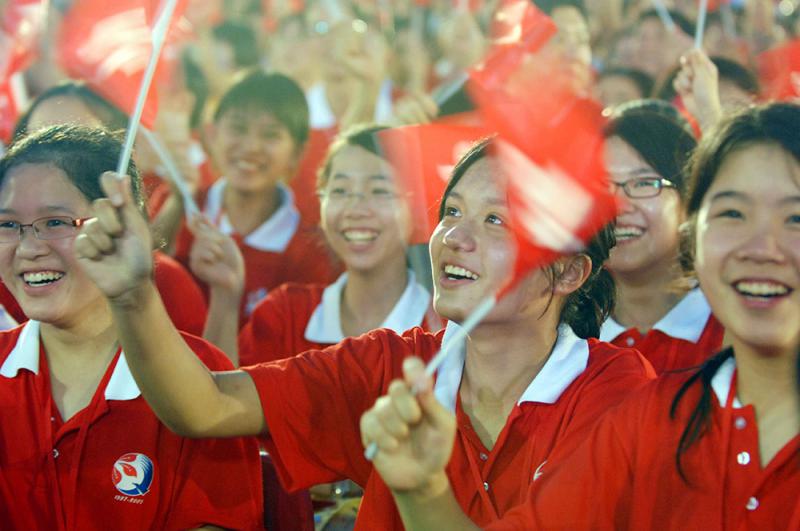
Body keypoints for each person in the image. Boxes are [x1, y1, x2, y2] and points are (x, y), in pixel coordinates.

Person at [73, 137, 654, 529]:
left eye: (496, 220)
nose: (454, 237)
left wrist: (422, 491)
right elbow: (205, 406)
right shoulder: (392, 366)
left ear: (568, 270)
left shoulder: (616, 392)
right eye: (451, 212)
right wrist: (132, 294)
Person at [361, 102, 800, 530]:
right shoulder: (645, 423)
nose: (761, 247)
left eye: (795, 217)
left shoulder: (617, 391)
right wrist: (424, 493)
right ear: (695, 235)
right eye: (732, 213)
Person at [0, 125, 262, 530]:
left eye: (55, 222)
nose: (29, 248)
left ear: (124, 226)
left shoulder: (200, 378)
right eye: (8, 225)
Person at [192, 125, 440, 365]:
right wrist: (225, 296)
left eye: (380, 190)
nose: (355, 209)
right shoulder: (286, 315)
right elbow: (219, 400)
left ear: (417, 210)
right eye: (340, 190)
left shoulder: (443, 330)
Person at [11, 80, 209, 336]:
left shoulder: (167, 283)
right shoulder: (7, 267)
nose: (52, 161)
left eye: (76, 145)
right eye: (36, 143)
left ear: (123, 155)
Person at [171, 70, 340, 325]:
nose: (251, 147)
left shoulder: (313, 253)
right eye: (238, 128)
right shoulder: (177, 209)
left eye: (270, 134)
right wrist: (172, 211)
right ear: (212, 135)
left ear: (298, 152)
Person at [600, 99, 724, 374]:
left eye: (644, 183)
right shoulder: (565, 337)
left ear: (689, 197)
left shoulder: (732, 325)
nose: (618, 205)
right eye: (601, 184)